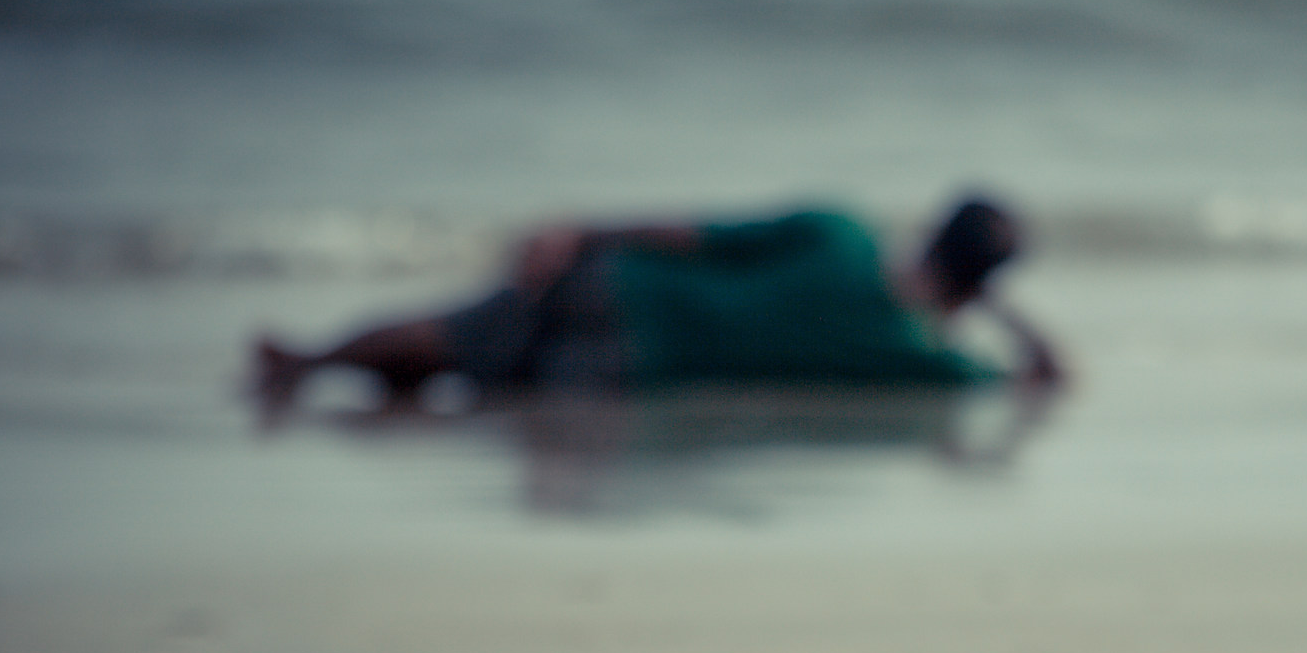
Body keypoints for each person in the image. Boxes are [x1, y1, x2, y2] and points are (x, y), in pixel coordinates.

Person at [252, 195, 1064, 409]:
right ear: (982, 281)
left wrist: (581, 231)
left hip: (626, 285)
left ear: (930, 229)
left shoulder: (842, 233)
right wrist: (994, 307)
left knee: (461, 336)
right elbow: (1049, 378)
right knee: (467, 365)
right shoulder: (919, 359)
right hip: (628, 368)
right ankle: (315, 370)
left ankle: (312, 363)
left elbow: (692, 233)